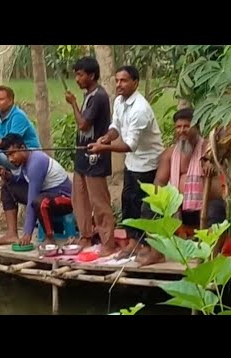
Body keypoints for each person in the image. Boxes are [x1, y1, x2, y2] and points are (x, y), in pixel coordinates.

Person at [87, 65, 164, 259]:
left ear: (135, 82)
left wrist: (104, 148)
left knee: (143, 206)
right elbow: (115, 127)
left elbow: (131, 145)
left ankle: (146, 246)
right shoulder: (120, 101)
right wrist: (106, 138)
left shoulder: (140, 109)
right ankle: (132, 242)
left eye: (124, 80)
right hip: (132, 163)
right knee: (127, 201)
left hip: (148, 163)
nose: (119, 85)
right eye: (117, 81)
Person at [139, 108, 227, 265]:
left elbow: (220, 186)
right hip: (178, 210)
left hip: (204, 207)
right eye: (178, 127)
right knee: (149, 205)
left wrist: (212, 167)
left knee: (217, 208)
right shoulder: (170, 154)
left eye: (186, 126)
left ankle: (210, 258)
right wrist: (163, 202)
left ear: (196, 127)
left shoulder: (209, 150)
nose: (182, 131)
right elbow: (159, 182)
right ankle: (156, 253)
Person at [64, 56, 116, 257]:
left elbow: (84, 124)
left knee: (99, 199)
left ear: (91, 75)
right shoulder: (89, 94)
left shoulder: (99, 96)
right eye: (76, 74)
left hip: (95, 154)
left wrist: (73, 104)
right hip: (81, 154)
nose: (77, 79)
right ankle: (85, 235)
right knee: (79, 198)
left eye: (80, 74)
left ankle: (108, 242)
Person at [0, 133, 72, 246]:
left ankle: (50, 237)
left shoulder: (36, 162)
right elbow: (24, 180)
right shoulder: (26, 160)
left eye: (12, 154)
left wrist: (27, 232)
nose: (10, 159)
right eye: (7, 156)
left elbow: (32, 199)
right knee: (7, 187)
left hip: (64, 199)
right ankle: (11, 234)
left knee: (38, 201)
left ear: (22, 148)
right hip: (46, 194)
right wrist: (7, 175)